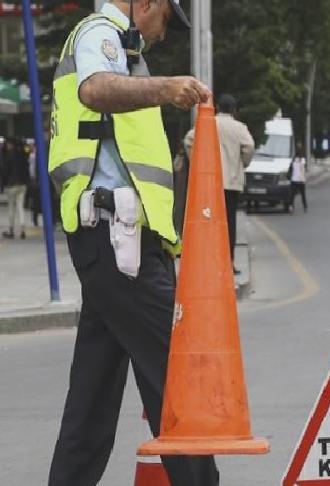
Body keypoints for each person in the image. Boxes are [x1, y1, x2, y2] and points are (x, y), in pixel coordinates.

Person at [46, 1, 217, 485]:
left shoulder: (125, 50)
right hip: (118, 241)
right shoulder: (100, 35)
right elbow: (95, 90)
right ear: (146, 3)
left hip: (117, 243)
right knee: (177, 380)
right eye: (165, 20)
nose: (162, 35)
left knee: (92, 399)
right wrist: (166, 88)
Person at [184, 93, 254, 271]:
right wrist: (242, 163)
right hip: (231, 182)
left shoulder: (208, 123)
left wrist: (196, 162)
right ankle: (228, 262)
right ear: (233, 110)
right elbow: (249, 147)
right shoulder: (239, 128)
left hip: (209, 183)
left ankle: (208, 261)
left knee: (208, 221)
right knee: (229, 222)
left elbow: (189, 140)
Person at [1, 137, 30, 239]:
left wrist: (2, 185)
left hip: (11, 185)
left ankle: (11, 230)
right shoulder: (22, 155)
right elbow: (27, 171)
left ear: (10, 145)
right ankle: (23, 230)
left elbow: (4, 172)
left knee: (11, 208)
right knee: (20, 207)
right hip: (22, 185)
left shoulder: (8, 156)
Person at [288, 142, 308, 213]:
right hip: (301, 179)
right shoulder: (302, 159)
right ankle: (305, 207)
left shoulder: (293, 159)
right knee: (303, 194)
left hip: (294, 179)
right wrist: (303, 178)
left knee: (292, 194)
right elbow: (302, 169)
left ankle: (291, 206)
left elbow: (291, 169)